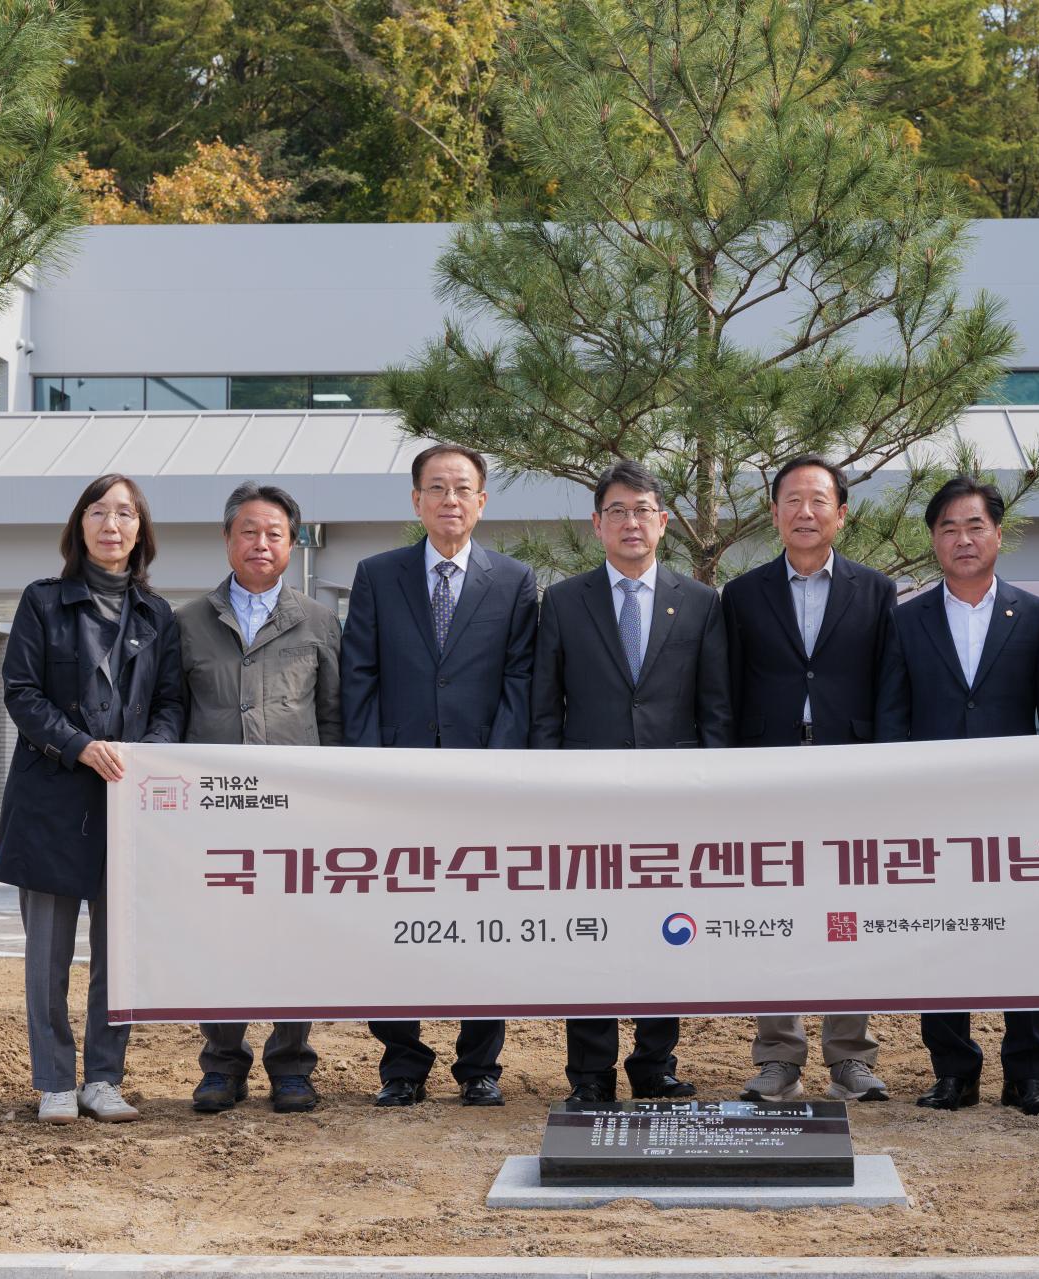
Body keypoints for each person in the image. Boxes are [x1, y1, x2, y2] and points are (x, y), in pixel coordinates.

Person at [341, 443, 538, 1107]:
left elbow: (520, 680)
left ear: (482, 501)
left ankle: (480, 1065)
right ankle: (402, 1063)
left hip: (483, 784)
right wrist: (370, 769)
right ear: (416, 500)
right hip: (396, 783)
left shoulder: (514, 580)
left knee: (485, 925)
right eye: (436, 487)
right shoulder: (378, 575)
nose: (450, 500)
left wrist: (496, 768)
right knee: (393, 923)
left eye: (462, 488)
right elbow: (360, 675)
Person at [532, 458, 732, 1103]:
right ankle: (590, 1073)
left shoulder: (700, 602)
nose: (630, 523)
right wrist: (552, 786)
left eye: (642, 510)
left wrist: (709, 786)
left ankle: (654, 1063)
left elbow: (715, 708)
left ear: (664, 521)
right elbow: (545, 707)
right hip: (587, 796)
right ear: (597, 525)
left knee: (666, 926)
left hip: (673, 798)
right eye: (616, 511)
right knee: (591, 930)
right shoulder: (564, 601)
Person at [0, 473, 184, 1124]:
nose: (112, 524)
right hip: (50, 800)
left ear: (140, 530)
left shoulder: (159, 616)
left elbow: (172, 703)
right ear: (80, 525)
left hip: (126, 803)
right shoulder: (42, 601)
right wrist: (79, 745)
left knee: (117, 955)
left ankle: (104, 1078)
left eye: (125, 513)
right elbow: (21, 692)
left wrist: (146, 754)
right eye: (99, 511)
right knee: (47, 956)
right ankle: (53, 1080)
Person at [875, 475, 1039, 1119]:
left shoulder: (1036, 615)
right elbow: (893, 715)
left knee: (1025, 938)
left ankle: (1029, 1074)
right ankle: (953, 1070)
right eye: (948, 528)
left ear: (998, 535)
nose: (962, 539)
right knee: (942, 936)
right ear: (933, 540)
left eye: (975, 526)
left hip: (1018, 808)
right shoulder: (906, 619)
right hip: (933, 809)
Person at [722, 454, 896, 1104]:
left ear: (841, 514)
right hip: (767, 772)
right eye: (792, 500)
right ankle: (778, 1055)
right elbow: (727, 690)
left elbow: (888, 685)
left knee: (847, 912)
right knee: (774, 912)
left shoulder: (875, 591)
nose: (805, 512)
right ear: (774, 513)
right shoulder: (742, 595)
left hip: (849, 772)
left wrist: (884, 766)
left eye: (819, 500)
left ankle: (850, 1056)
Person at [177, 481, 343, 1116]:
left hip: (294, 813)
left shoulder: (318, 621)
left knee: (292, 934)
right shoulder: (188, 622)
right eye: (248, 531)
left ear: (292, 544)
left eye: (275, 533)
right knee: (219, 934)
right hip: (213, 812)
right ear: (227, 540)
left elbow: (332, 719)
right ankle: (222, 1065)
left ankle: (292, 1065)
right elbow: (173, 714)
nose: (261, 543)